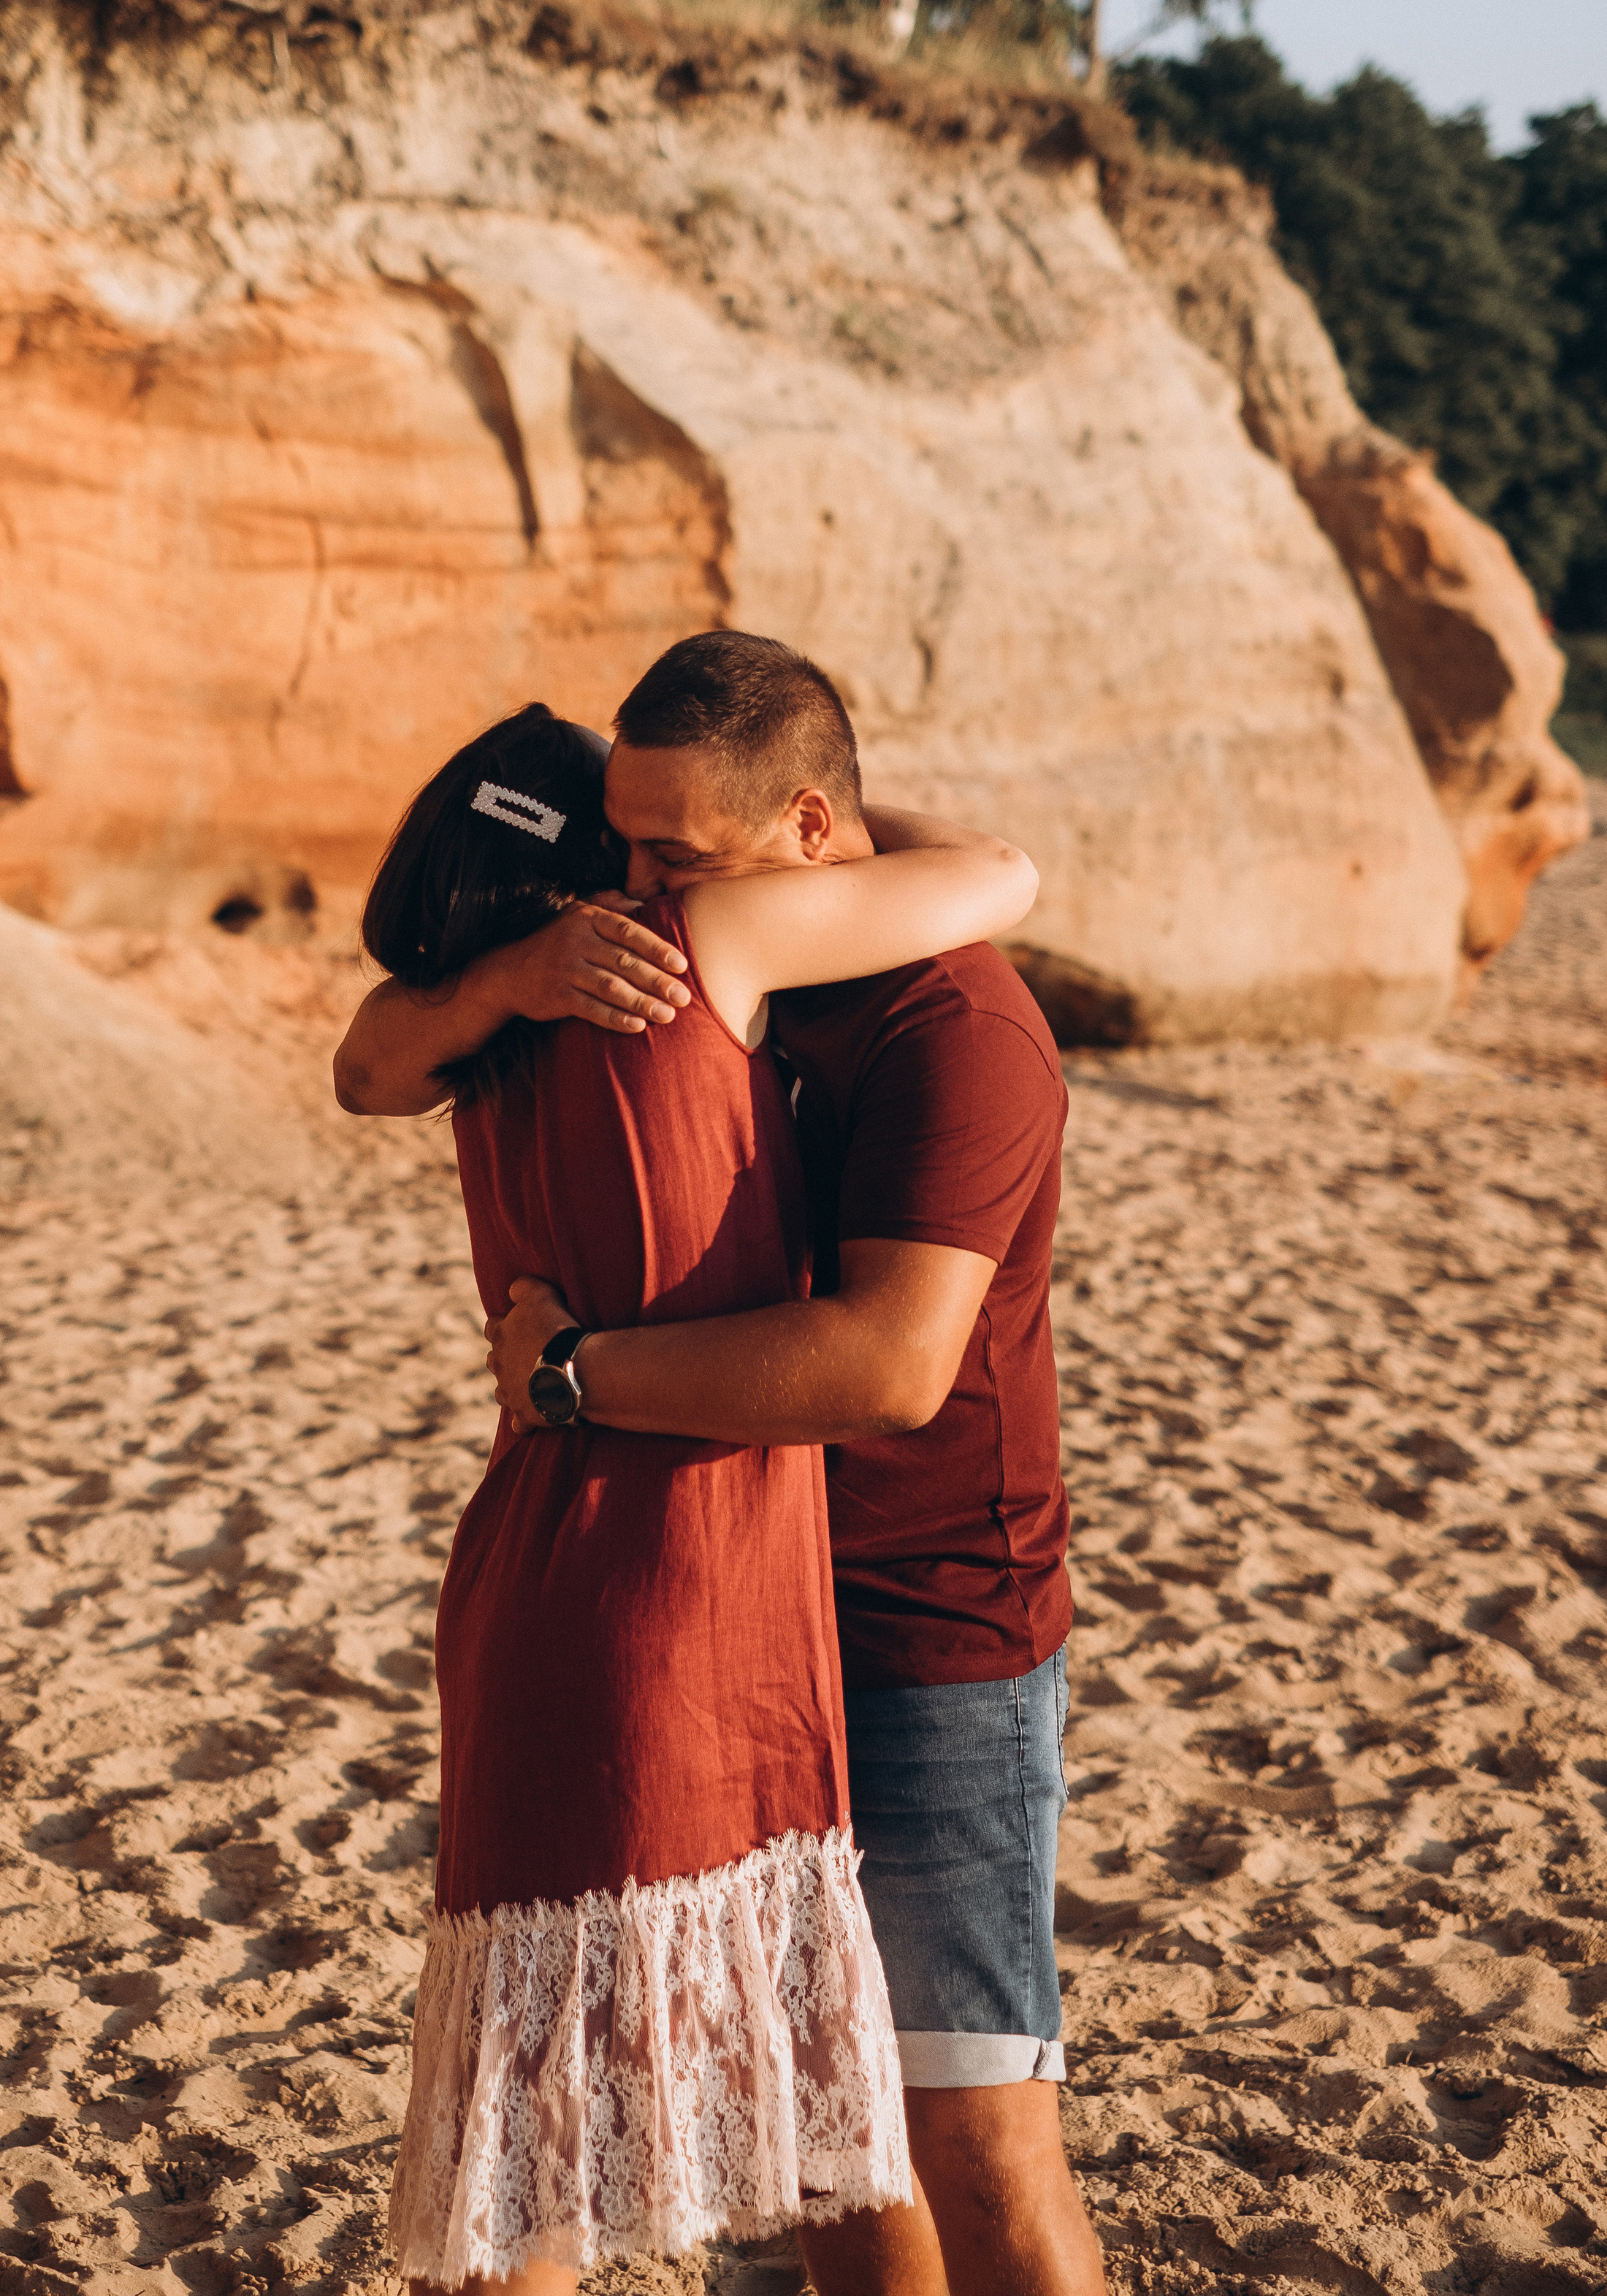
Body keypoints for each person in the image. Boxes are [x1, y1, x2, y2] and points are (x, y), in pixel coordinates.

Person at [341, 634, 1106, 2296]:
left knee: (965, 2133)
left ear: (810, 831)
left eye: (670, 853)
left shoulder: (952, 1020)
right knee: (811, 2139)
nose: (629, 891)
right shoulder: (631, 962)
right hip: (730, 1607)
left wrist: (569, 1375)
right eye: (612, 847)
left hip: (920, 1623)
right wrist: (504, 975)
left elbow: (888, 1364)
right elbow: (374, 1058)